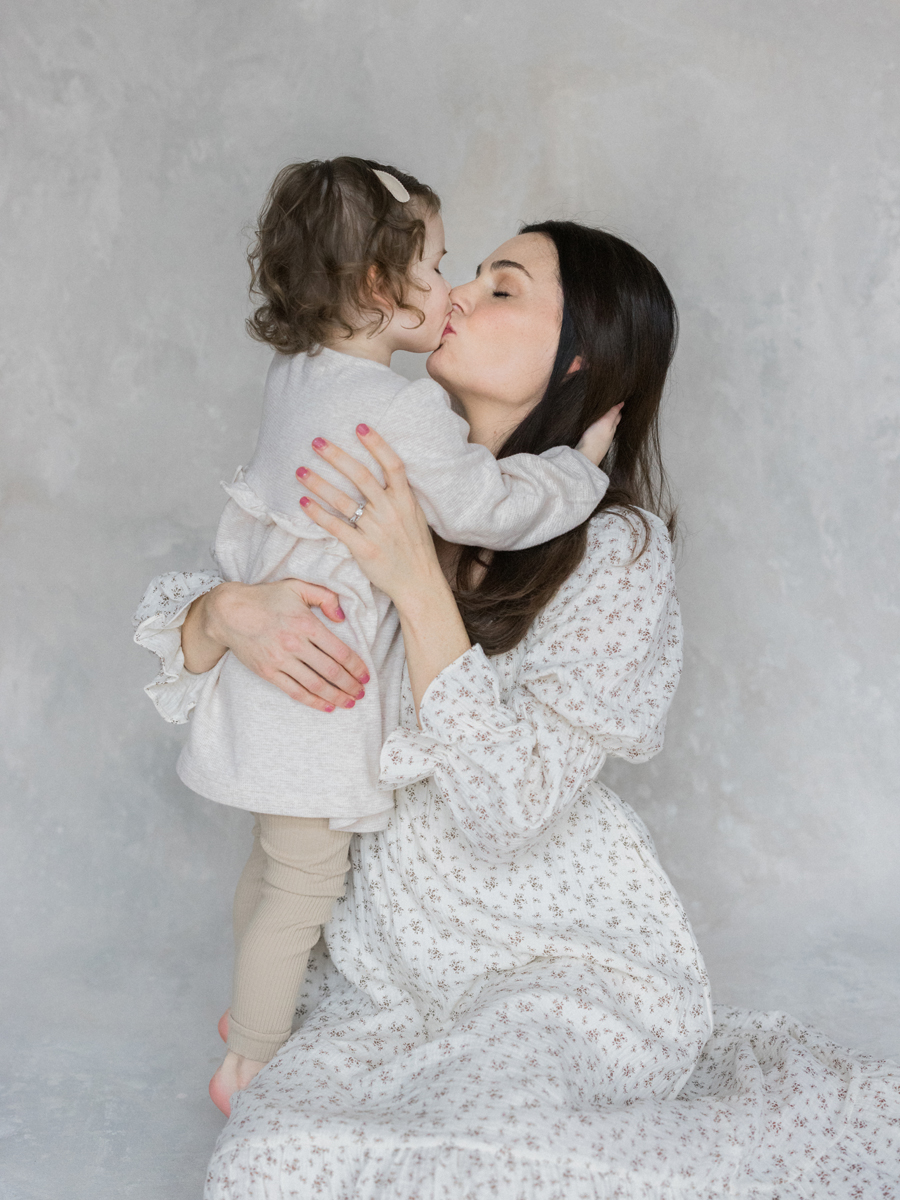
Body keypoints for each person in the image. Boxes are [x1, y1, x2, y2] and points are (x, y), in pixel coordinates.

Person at [137, 221, 899, 1196]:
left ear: (580, 355)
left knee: (513, 1159)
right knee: (269, 1164)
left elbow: (507, 809)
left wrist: (416, 585)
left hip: (551, 959)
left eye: (504, 287)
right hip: (379, 973)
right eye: (471, 272)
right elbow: (206, 638)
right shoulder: (377, 471)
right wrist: (227, 613)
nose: (453, 293)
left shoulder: (613, 553)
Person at [134, 159, 620, 1114]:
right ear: (376, 287)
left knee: (274, 866)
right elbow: (486, 506)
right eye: (438, 268)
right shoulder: (400, 409)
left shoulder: (295, 378)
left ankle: (245, 1012)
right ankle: (255, 1061)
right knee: (305, 882)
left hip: (263, 683)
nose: (450, 294)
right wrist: (579, 473)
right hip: (317, 690)